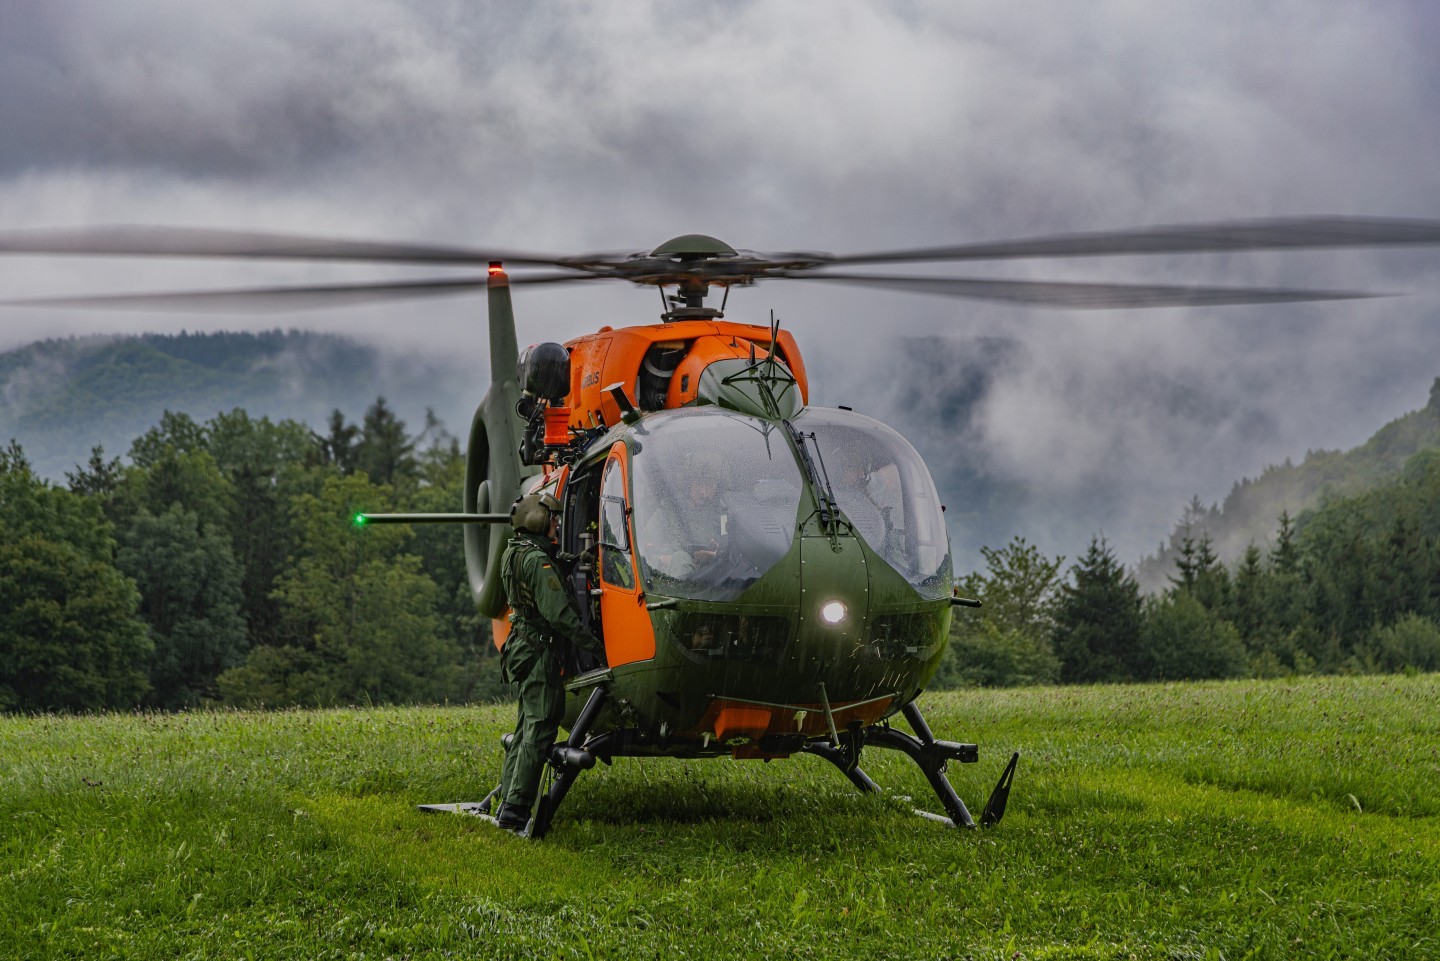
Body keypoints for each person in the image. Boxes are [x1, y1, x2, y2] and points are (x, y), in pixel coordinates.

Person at [494, 490, 605, 835]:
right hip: (539, 653)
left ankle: (507, 805)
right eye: (553, 519)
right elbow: (559, 614)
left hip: (522, 649)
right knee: (539, 731)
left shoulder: (516, 552)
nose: (556, 524)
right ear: (537, 520)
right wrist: (595, 646)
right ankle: (515, 812)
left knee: (527, 727)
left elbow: (542, 573)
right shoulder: (537, 563)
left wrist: (570, 561)